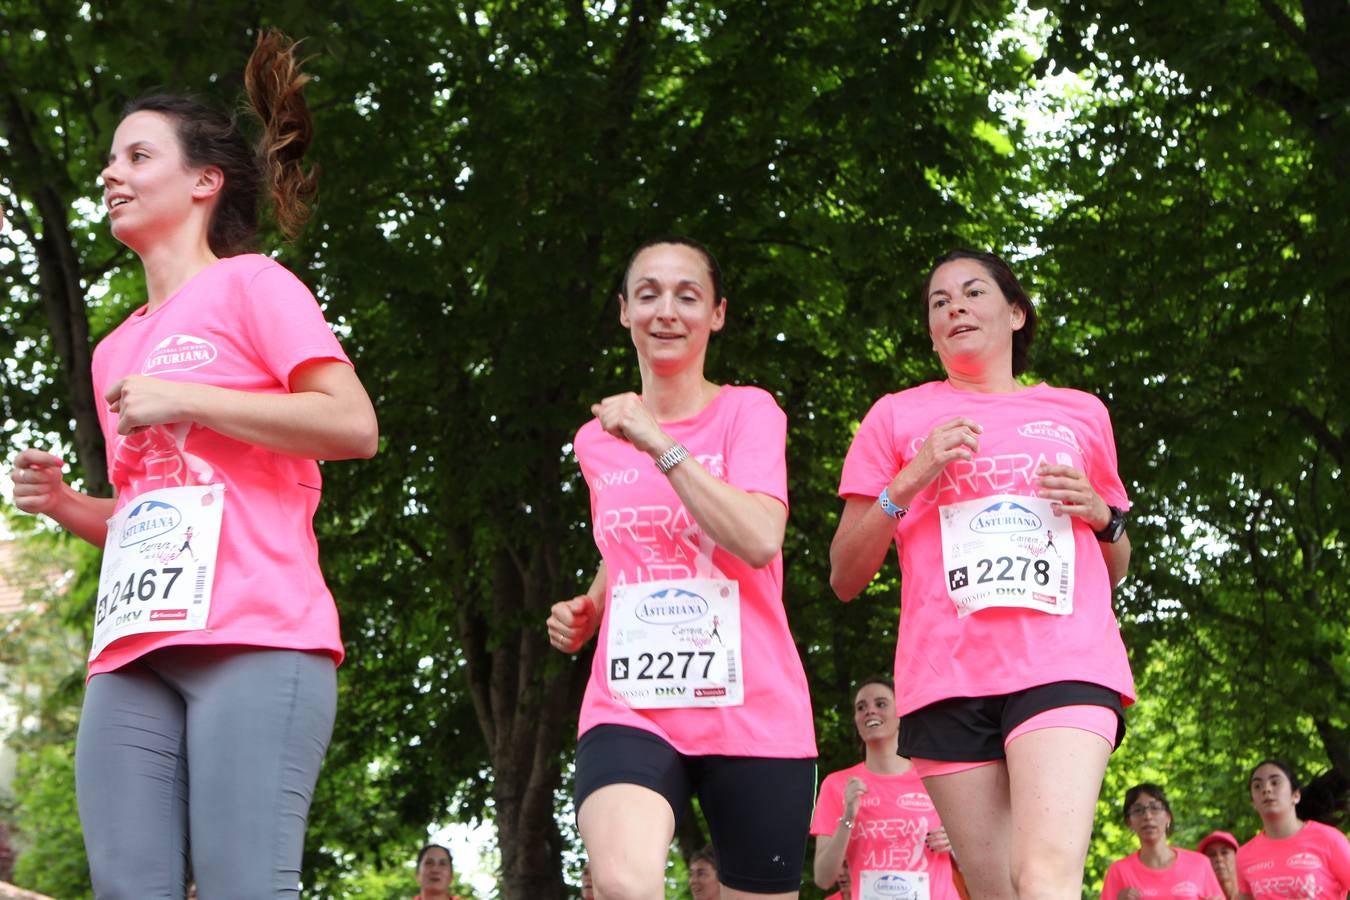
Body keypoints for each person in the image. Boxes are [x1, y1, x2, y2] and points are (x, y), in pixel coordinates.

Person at [7, 30, 378, 898]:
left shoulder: (255, 286)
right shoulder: (114, 352)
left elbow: (353, 425)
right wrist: (69, 505)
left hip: (257, 638)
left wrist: (190, 398)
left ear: (204, 182)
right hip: (132, 650)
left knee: (244, 887)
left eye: (138, 155)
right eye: (108, 159)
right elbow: (155, 507)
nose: (111, 174)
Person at [829, 248, 1135, 899]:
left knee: (1044, 877)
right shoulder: (895, 417)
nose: (955, 308)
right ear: (932, 329)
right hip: (946, 675)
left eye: (972, 293)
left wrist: (1103, 518)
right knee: (998, 892)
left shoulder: (1080, 413)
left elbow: (1113, 566)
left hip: (1064, 661)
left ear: (1016, 312)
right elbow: (845, 574)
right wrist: (910, 479)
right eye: (939, 302)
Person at [546, 236, 817, 900]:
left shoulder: (748, 412)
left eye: (687, 295)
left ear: (716, 314)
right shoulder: (594, 439)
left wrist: (657, 440)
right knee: (620, 879)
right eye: (648, 294)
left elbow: (757, 538)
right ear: (624, 312)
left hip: (753, 704)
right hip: (632, 702)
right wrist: (591, 602)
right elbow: (633, 543)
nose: (666, 310)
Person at [811, 677, 960, 900]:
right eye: (861, 707)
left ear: (901, 714)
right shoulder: (838, 784)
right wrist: (848, 817)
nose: (870, 711)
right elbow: (823, 878)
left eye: (881, 704)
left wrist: (956, 843)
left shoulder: (935, 777)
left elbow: (983, 859)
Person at [1236, 760, 1350, 899]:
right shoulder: (1244, 855)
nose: (1266, 789)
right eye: (1257, 786)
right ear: (1253, 803)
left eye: (1275, 782)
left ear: (1295, 795)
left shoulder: (1330, 840)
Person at [1100, 783, 1224, 899]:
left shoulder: (1200, 864)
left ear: (1168, 816)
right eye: (1138, 810)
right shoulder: (1118, 871)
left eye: (1155, 808)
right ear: (1129, 822)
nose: (1147, 816)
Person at [1197, 831, 1240, 900]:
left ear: (1237, 856)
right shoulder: (1196, 896)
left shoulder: (1254, 892)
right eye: (1212, 854)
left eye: (1224, 852)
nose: (1219, 859)